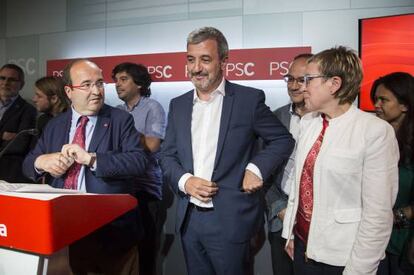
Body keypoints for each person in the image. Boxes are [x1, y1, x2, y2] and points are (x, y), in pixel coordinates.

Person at [160, 26, 294, 275]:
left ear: (223, 61)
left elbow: (283, 140)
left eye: (205, 59)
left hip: (231, 219)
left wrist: (256, 168)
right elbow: (166, 156)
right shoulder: (177, 105)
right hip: (189, 220)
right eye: (191, 59)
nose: (196, 67)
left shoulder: (248, 100)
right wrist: (185, 181)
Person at [282, 46, 399, 274]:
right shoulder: (309, 123)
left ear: (334, 84)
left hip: (344, 259)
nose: (301, 87)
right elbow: (300, 187)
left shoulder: (374, 131)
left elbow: (378, 214)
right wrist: (290, 233)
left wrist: (360, 269)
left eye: (309, 79)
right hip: (302, 248)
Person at [23, 59, 147, 275]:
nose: (97, 91)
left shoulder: (120, 120)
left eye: (99, 83)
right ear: (69, 91)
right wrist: (42, 162)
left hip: (112, 234)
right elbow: (27, 164)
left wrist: (91, 159)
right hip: (66, 233)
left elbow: (138, 162)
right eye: (87, 84)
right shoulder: (55, 125)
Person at [112, 62, 167, 275]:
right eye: (116, 80)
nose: (117, 84)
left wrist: (125, 130)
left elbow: (153, 145)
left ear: (140, 84)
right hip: (119, 188)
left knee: (145, 250)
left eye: (123, 79)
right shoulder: (115, 111)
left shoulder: (152, 107)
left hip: (145, 189)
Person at [264, 53, 312, 275]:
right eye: (289, 79)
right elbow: (264, 173)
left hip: (316, 226)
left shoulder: (328, 121)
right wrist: (280, 209)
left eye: (300, 80)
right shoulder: (274, 119)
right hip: (280, 220)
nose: (293, 86)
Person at [370, 72, 414, 275]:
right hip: (376, 242)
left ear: (405, 105)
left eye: (383, 100)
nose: (376, 105)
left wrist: (397, 216)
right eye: (375, 99)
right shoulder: (373, 138)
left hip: (404, 243)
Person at [0, 63, 37, 183]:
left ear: (21, 85)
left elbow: (19, 145)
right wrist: (2, 135)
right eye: (2, 78)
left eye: (12, 80)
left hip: (9, 174)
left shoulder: (28, 110)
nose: (5, 83)